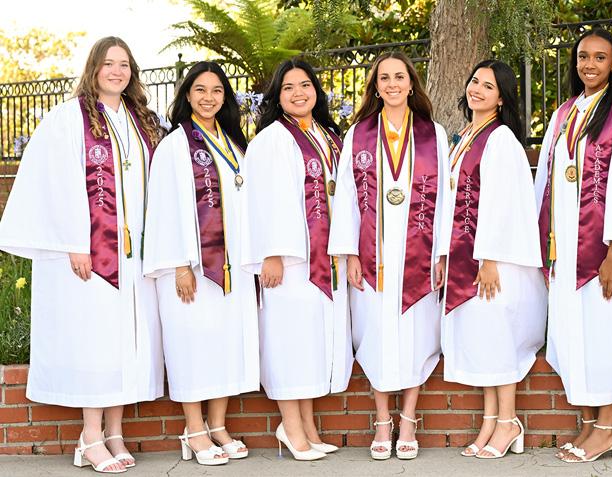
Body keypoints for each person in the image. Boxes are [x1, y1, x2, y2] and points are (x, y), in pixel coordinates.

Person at [0, 37, 163, 474]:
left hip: (134, 257)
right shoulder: (68, 119)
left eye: (124, 64)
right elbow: (54, 183)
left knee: (125, 342)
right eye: (108, 63)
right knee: (96, 343)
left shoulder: (140, 121)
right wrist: (76, 242)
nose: (116, 71)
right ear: (93, 68)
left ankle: (115, 432)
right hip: (91, 255)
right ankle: (90, 436)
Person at [534, 27, 612, 464]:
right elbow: (546, 183)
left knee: (605, 335)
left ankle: (608, 427)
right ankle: (589, 424)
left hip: (602, 249)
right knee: (578, 336)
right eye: (583, 57)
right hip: (566, 248)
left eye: (599, 57)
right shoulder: (564, 114)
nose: (589, 64)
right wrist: (544, 246)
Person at [328, 51, 450, 460]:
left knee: (417, 332)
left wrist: (442, 254)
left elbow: (446, 199)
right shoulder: (358, 134)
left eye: (400, 77)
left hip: (420, 254)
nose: (393, 84)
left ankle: (408, 419)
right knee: (376, 332)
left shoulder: (434, 134)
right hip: (374, 255)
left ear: (411, 84)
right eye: (385, 78)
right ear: (376, 87)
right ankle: (383, 420)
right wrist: (349, 253)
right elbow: (346, 197)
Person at [143, 61, 259, 466]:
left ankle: (218, 425)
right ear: (187, 95)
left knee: (225, 342)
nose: (209, 98)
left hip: (232, 268)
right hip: (191, 269)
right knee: (192, 343)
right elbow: (163, 208)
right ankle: (194, 429)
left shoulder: (235, 143)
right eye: (200, 90)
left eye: (217, 91)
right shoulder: (175, 146)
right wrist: (178, 264)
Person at [242, 59, 353, 461]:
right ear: (277, 96)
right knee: (290, 342)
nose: (298, 93)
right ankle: (291, 427)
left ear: (316, 91)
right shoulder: (272, 138)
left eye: (305, 85)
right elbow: (264, 200)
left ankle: (307, 426)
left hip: (324, 258)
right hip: (289, 262)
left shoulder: (327, 135)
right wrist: (271, 254)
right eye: (288, 88)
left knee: (310, 344)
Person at [440, 59, 545, 460]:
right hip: (467, 257)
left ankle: (508, 421)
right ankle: (489, 421)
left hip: (492, 263)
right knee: (484, 338)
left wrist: (489, 258)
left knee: (500, 339)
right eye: (474, 82)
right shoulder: (466, 136)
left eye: (488, 85)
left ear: (502, 98)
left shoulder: (500, 140)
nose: (477, 89)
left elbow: (504, 205)